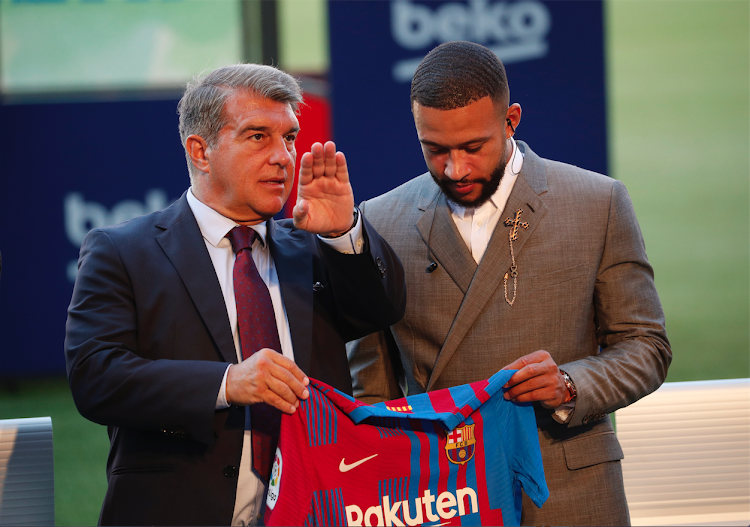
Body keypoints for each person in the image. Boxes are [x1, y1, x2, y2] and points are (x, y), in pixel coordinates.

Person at [65, 64, 406, 526]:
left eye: (289, 137)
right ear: (200, 151)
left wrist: (344, 234)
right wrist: (227, 383)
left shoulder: (314, 243)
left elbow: (379, 311)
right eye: (258, 137)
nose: (284, 157)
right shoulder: (123, 251)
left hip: (318, 509)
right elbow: (96, 377)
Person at [347, 41, 671, 526]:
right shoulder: (380, 220)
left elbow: (646, 346)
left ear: (511, 120)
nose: (456, 169)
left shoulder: (597, 203)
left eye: (473, 147)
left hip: (571, 494)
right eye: (435, 150)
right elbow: (372, 387)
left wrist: (568, 383)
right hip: (442, 497)